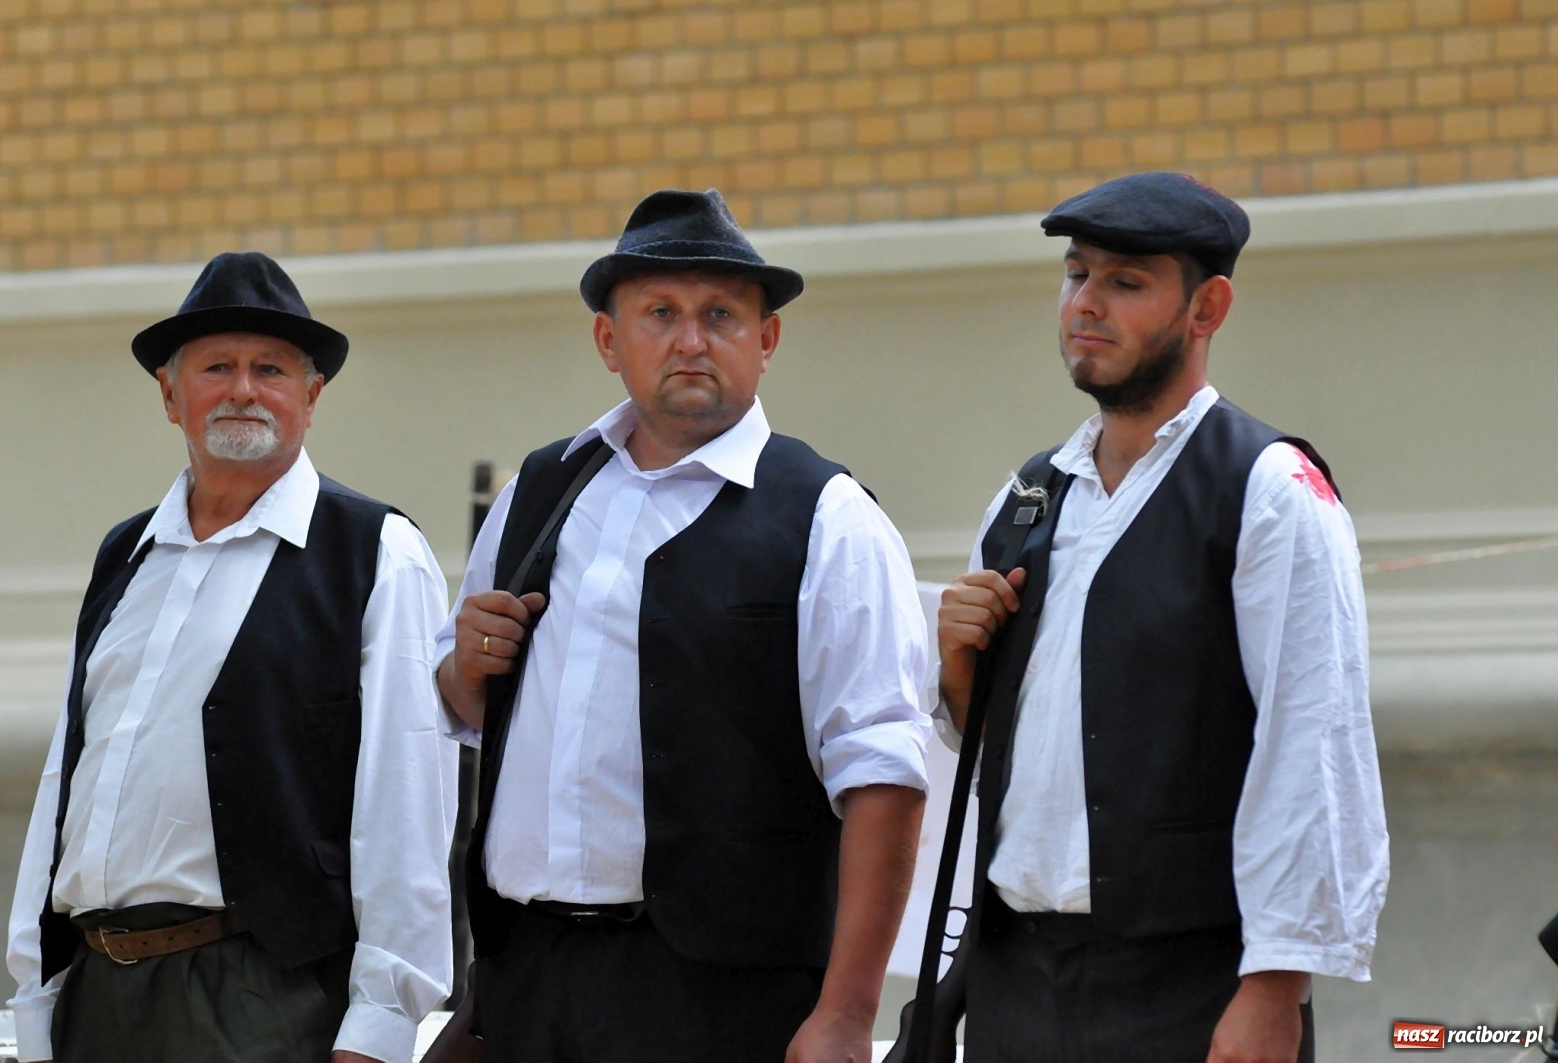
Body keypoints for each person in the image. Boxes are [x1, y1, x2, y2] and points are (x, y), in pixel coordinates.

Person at [434, 188, 931, 1063]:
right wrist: (464, 670)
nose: (691, 340)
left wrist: (849, 1013)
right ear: (608, 339)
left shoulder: (828, 517)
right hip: (527, 981)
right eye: (660, 312)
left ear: (766, 340)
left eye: (720, 315)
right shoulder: (539, 494)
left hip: (721, 1001)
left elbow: (884, 776)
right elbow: (464, 703)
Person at [934, 172, 1389, 1063]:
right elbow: (1018, 752)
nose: (1086, 304)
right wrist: (959, 671)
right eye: (1076, 274)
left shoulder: (1268, 489)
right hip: (1014, 982)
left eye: (1126, 282)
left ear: (1207, 306)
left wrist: (1274, 991)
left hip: (1188, 987)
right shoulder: (1031, 494)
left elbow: (1315, 744)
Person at [4, 252, 457, 1063]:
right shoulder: (126, 554)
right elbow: (64, 780)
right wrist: (36, 998)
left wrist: (381, 1030)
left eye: (271, 368)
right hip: (97, 995)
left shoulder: (373, 551)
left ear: (311, 397)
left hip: (261, 999)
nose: (244, 389)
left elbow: (408, 796)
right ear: (170, 395)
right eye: (217, 366)